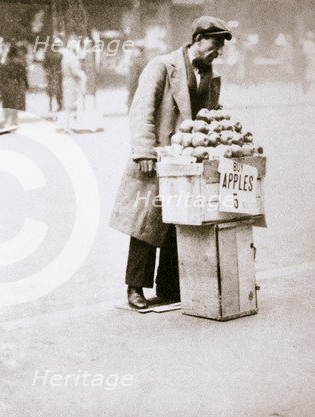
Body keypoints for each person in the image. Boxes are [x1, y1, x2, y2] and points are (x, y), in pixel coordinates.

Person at [109, 16, 232, 309]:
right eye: (215, 45)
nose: (218, 52)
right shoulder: (162, 65)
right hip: (157, 157)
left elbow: (208, 116)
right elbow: (142, 110)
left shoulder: (211, 76)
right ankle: (135, 287)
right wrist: (144, 152)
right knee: (146, 223)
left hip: (188, 159)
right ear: (198, 40)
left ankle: (169, 286)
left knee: (180, 220)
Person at [0, 42, 28, 127]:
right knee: (14, 103)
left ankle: (4, 120)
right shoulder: (19, 62)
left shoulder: (5, 63)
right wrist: (26, 84)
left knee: (6, 102)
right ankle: (14, 121)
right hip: (16, 84)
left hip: (6, 84)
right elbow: (23, 75)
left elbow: (1, 75)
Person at [60, 35, 86, 130]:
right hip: (71, 81)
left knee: (69, 104)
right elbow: (75, 71)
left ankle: (68, 126)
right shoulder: (71, 57)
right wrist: (82, 75)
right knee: (71, 104)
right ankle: (69, 126)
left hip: (67, 80)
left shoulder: (66, 56)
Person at [43, 36, 63, 113]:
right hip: (56, 72)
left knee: (53, 90)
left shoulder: (49, 52)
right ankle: (58, 105)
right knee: (57, 90)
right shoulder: (59, 53)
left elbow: (44, 64)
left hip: (53, 73)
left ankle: (52, 105)